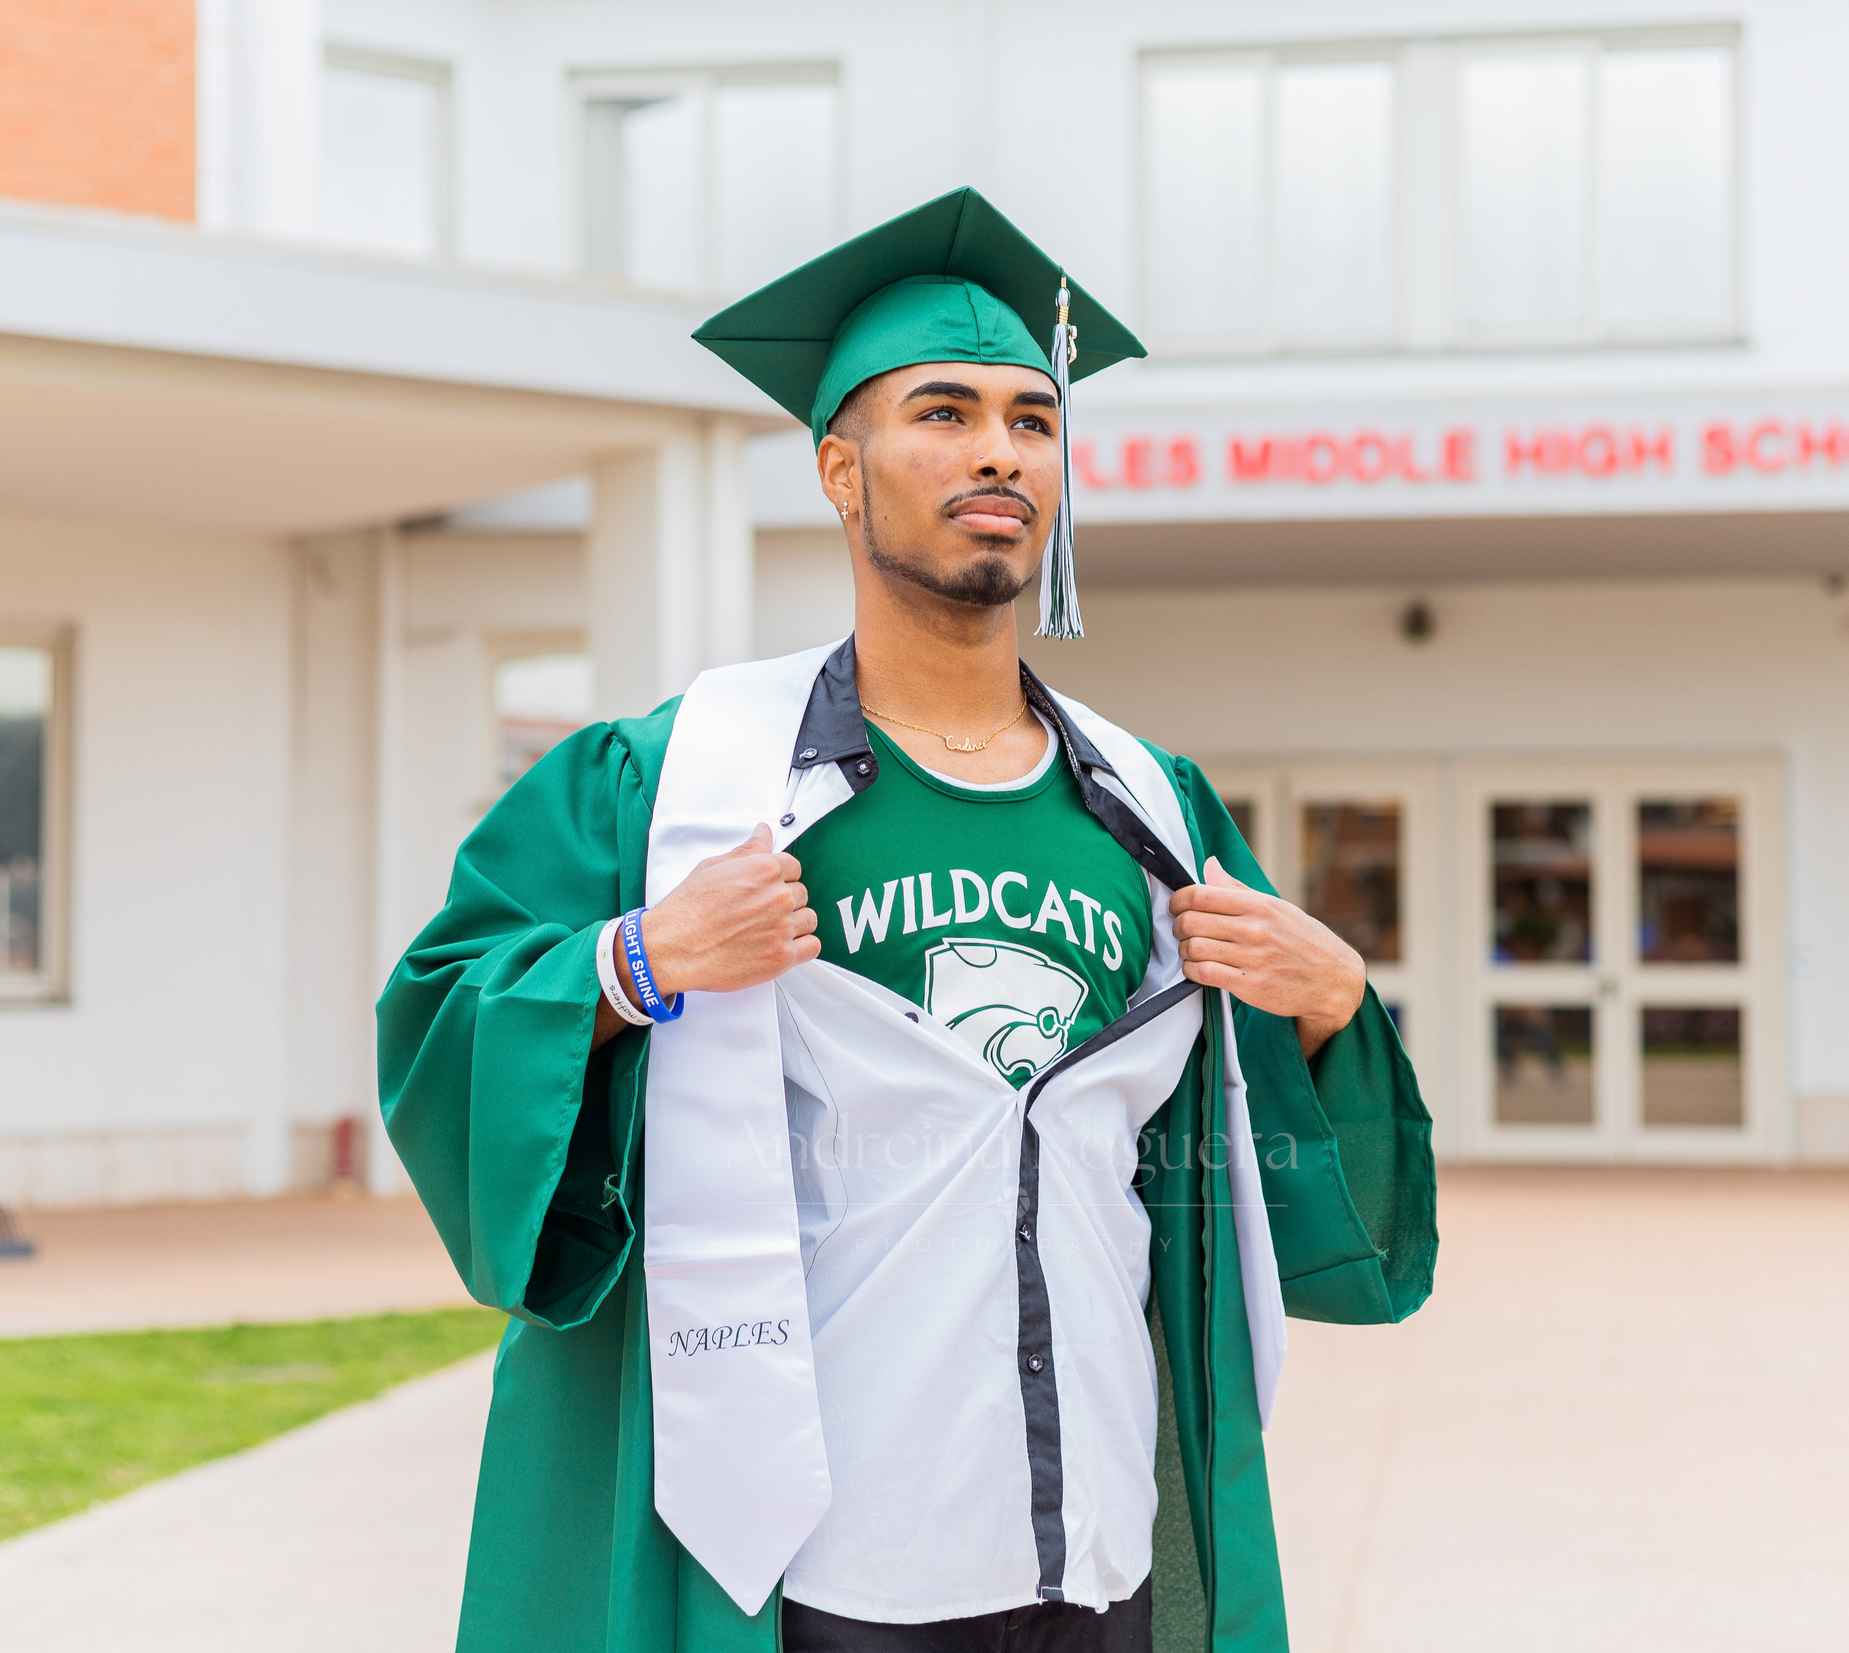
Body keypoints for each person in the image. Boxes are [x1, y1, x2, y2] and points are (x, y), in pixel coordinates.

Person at [378, 188, 1436, 1653]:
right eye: (941, 412)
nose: (999, 448)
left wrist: (1330, 1005)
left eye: (1032, 418)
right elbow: (445, 1013)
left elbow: (1294, 1220)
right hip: (818, 1558)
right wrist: (633, 962)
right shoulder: (673, 782)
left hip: (1097, 1544)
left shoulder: (1152, 806)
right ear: (837, 466)